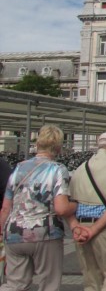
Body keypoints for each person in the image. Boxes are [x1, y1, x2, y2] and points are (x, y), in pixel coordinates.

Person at [0, 124, 76, 291]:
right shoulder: (57, 169)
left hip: (14, 233)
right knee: (48, 284)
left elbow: (6, 207)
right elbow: (61, 208)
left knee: (14, 284)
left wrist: (2, 232)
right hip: (44, 233)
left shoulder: (19, 168)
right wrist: (75, 205)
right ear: (58, 146)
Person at [67, 131, 106, 291]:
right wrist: (94, 230)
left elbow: (70, 202)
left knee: (91, 280)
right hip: (105, 229)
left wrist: (75, 227)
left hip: (81, 228)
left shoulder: (81, 168)